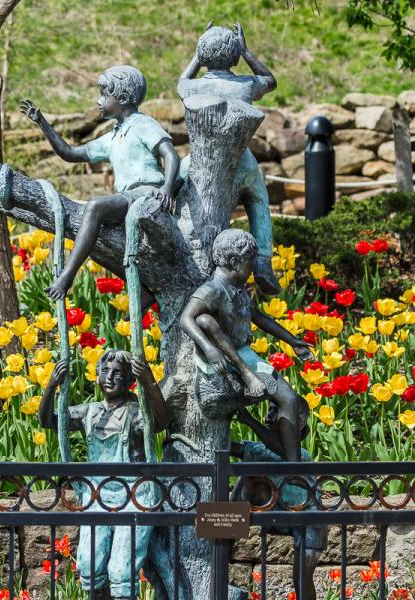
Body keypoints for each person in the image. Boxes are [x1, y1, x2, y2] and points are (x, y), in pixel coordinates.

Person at [20, 65, 180, 303]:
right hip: (128, 198)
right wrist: (42, 123)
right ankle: (144, 290)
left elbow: (170, 154)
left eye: (104, 95)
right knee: (98, 246)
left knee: (95, 206)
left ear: (123, 98)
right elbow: (69, 153)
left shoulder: (143, 124)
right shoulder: (114, 136)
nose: (98, 101)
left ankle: (66, 278)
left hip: (146, 193)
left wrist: (167, 186)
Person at [38, 349, 169, 600]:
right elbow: (49, 421)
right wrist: (52, 386)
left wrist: (150, 383)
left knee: (121, 571)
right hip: (97, 496)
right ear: (97, 376)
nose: (109, 377)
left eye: (118, 373)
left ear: (129, 380)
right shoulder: (90, 412)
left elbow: (159, 423)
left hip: (134, 496)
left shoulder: (134, 411)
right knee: (88, 565)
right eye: (105, 372)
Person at [180, 229, 313, 462]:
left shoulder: (239, 290)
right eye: (250, 263)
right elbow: (186, 318)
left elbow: (258, 317)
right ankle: (248, 377)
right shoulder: (212, 290)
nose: (252, 269)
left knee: (289, 399)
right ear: (234, 261)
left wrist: (291, 340)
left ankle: (294, 466)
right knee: (204, 319)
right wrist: (209, 349)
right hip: (226, 357)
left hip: (246, 354)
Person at [178, 22, 279, 295]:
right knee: (258, 199)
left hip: (199, 161)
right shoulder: (246, 85)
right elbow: (270, 81)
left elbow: (180, 82)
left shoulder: (193, 88)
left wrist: (196, 56)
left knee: (175, 185)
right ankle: (263, 261)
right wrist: (247, 52)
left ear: (202, 56)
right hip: (241, 160)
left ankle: (172, 240)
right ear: (234, 56)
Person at [231, 403, 328, 600]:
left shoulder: (300, 455)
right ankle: (229, 529)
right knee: (248, 479)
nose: (270, 414)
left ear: (297, 423)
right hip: (277, 508)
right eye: (270, 408)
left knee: (302, 576)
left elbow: (276, 451)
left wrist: (249, 420)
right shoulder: (260, 451)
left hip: (308, 519)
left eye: (277, 411)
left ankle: (228, 529)